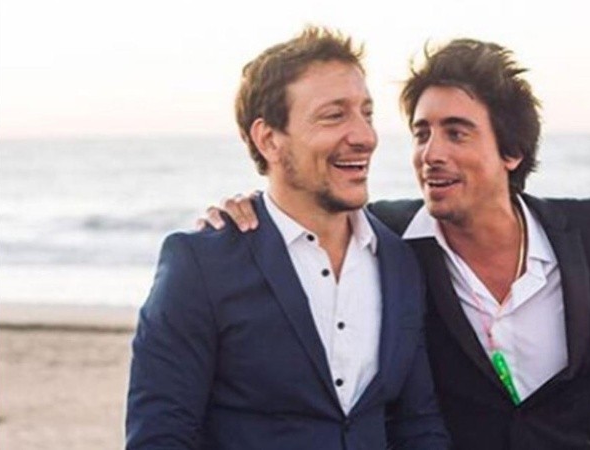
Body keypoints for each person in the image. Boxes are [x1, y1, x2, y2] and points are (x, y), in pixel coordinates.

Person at [202, 38, 590, 449]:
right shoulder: (383, 242)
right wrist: (244, 212)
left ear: (510, 152)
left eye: (456, 133)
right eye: (422, 134)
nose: (431, 154)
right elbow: (298, 219)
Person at [126, 27, 449, 450]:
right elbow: (160, 437)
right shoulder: (202, 265)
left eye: (366, 113)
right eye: (334, 115)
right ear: (269, 140)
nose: (365, 136)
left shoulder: (399, 259)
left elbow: (418, 425)